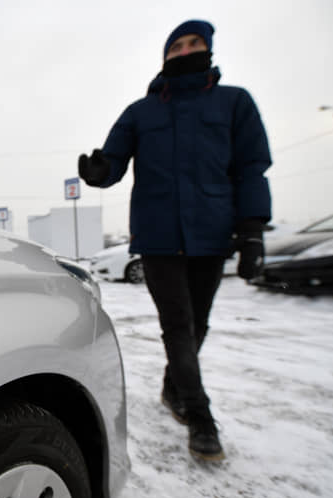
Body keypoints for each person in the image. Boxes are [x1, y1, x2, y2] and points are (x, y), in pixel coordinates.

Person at [77, 20, 272, 461]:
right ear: (165, 56)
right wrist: (98, 171)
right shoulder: (141, 112)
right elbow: (113, 162)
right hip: (160, 235)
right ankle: (200, 418)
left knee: (197, 322)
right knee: (178, 324)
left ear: (209, 50)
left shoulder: (234, 103)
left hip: (212, 232)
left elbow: (251, 168)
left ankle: (173, 387)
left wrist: (253, 231)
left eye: (195, 44)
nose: (186, 51)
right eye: (177, 46)